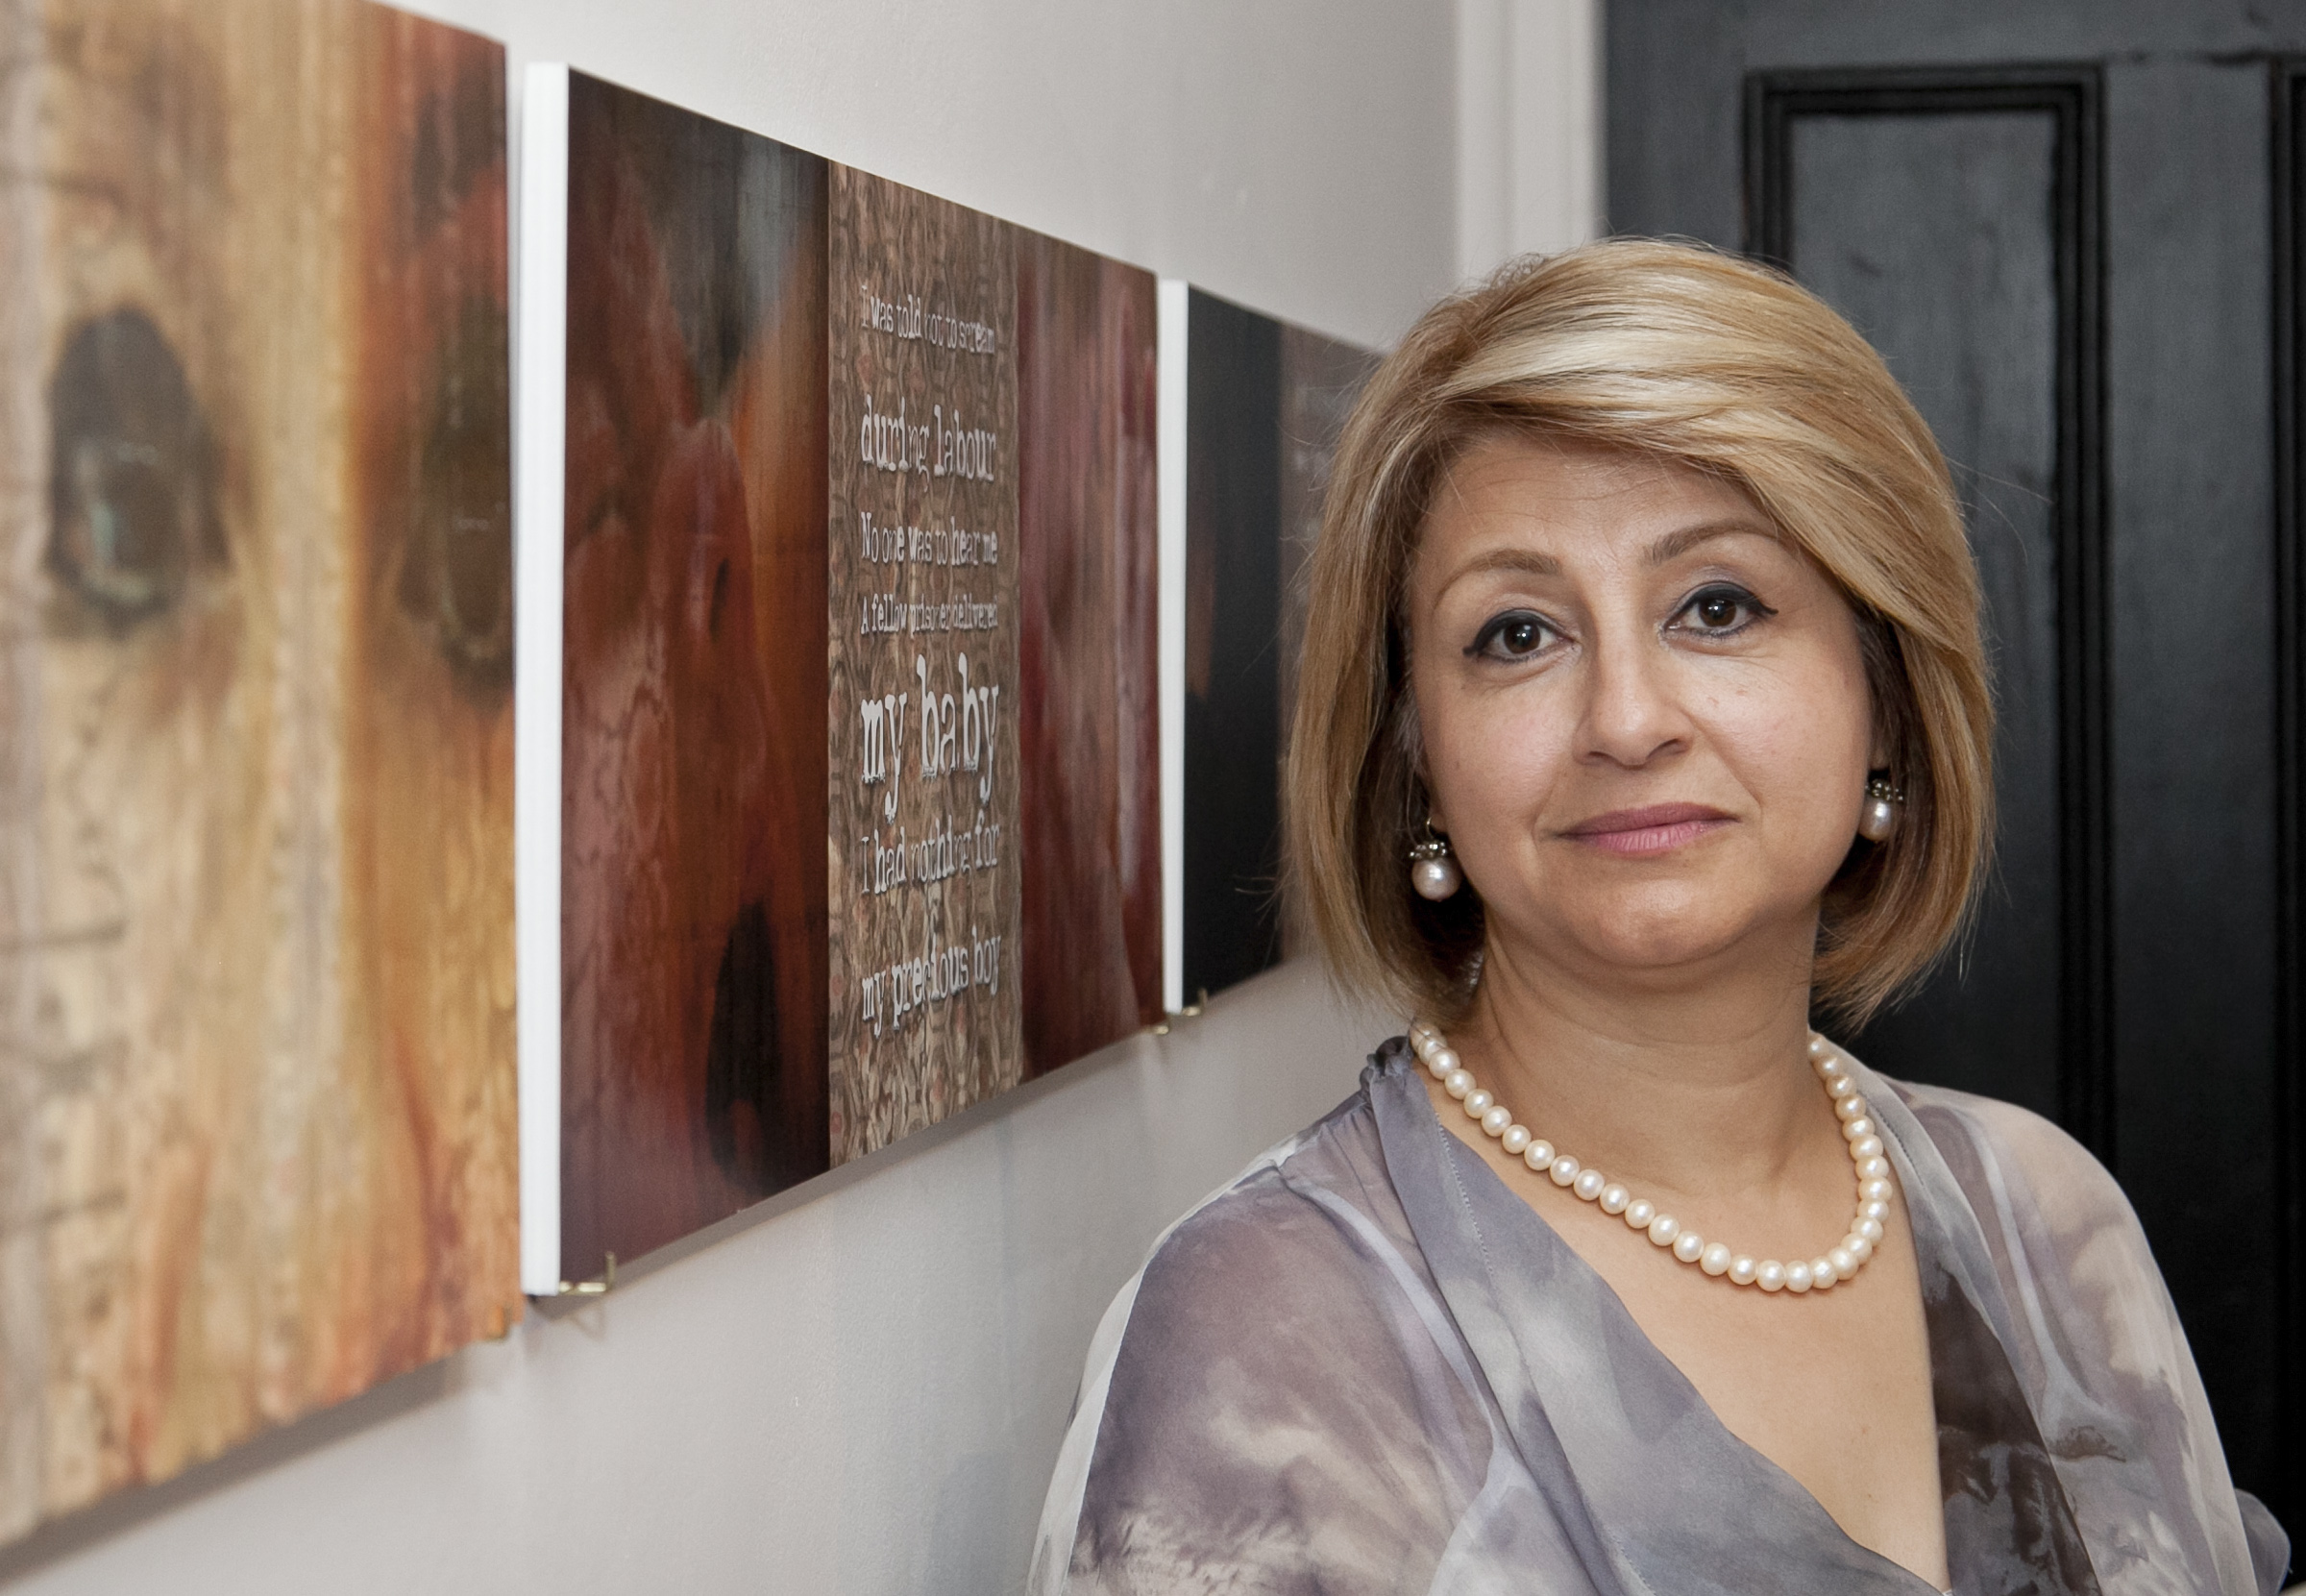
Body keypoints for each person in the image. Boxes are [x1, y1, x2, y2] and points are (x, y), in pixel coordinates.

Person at [1031, 239, 2292, 1595]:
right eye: (1518, 633)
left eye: (1717, 606)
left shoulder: (2045, 1220)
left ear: (1886, 693)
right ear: (1416, 757)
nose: (1627, 721)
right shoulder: (1266, 1335)